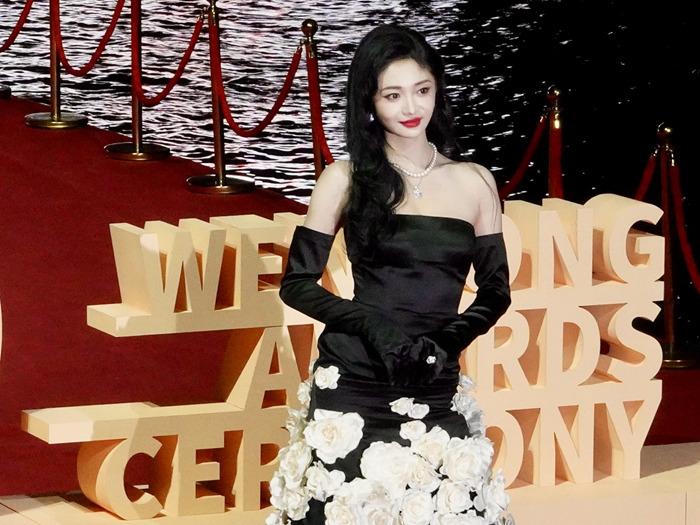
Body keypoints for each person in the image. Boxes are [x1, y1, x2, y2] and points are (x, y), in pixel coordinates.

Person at [268, 23, 514, 525]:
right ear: (370, 101)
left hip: (433, 374)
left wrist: (446, 342)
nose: (410, 107)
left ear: (437, 90)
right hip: (355, 378)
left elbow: (495, 290)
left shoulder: (474, 182)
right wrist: (372, 326)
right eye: (393, 95)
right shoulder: (344, 179)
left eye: (421, 90)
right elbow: (296, 283)